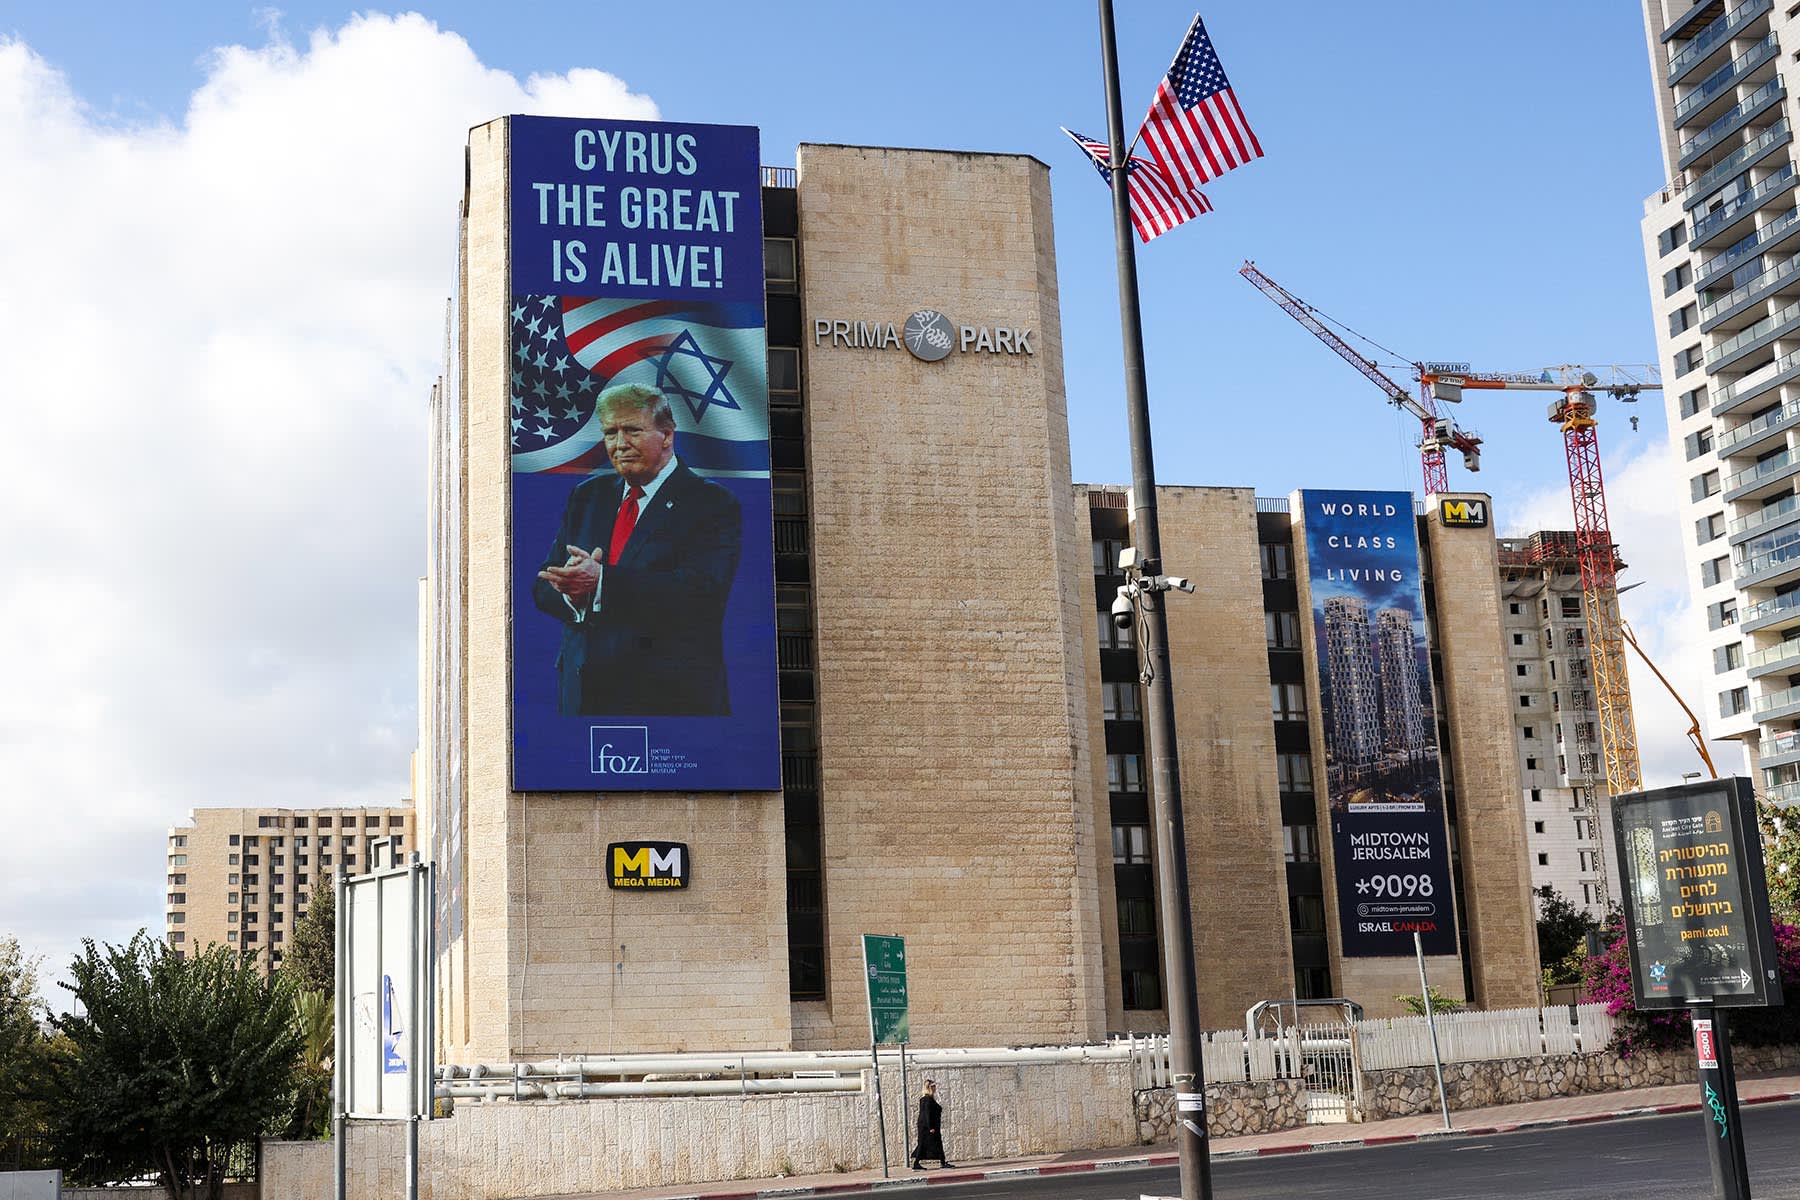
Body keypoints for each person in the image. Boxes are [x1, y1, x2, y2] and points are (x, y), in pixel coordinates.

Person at [532, 383, 741, 716]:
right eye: (610, 433)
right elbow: (544, 586)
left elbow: (700, 593)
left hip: (669, 703)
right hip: (584, 697)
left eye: (632, 431)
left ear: (668, 436)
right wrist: (573, 593)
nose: (620, 445)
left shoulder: (712, 503)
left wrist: (601, 582)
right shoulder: (588, 497)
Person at [911, 1079, 953, 1170]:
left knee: (930, 1143)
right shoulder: (927, 1099)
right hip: (928, 1127)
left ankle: (942, 1162)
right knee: (924, 1144)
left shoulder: (927, 1099)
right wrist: (931, 1127)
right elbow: (927, 1114)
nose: (935, 1088)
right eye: (933, 1086)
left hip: (927, 1126)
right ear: (929, 1088)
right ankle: (916, 1163)